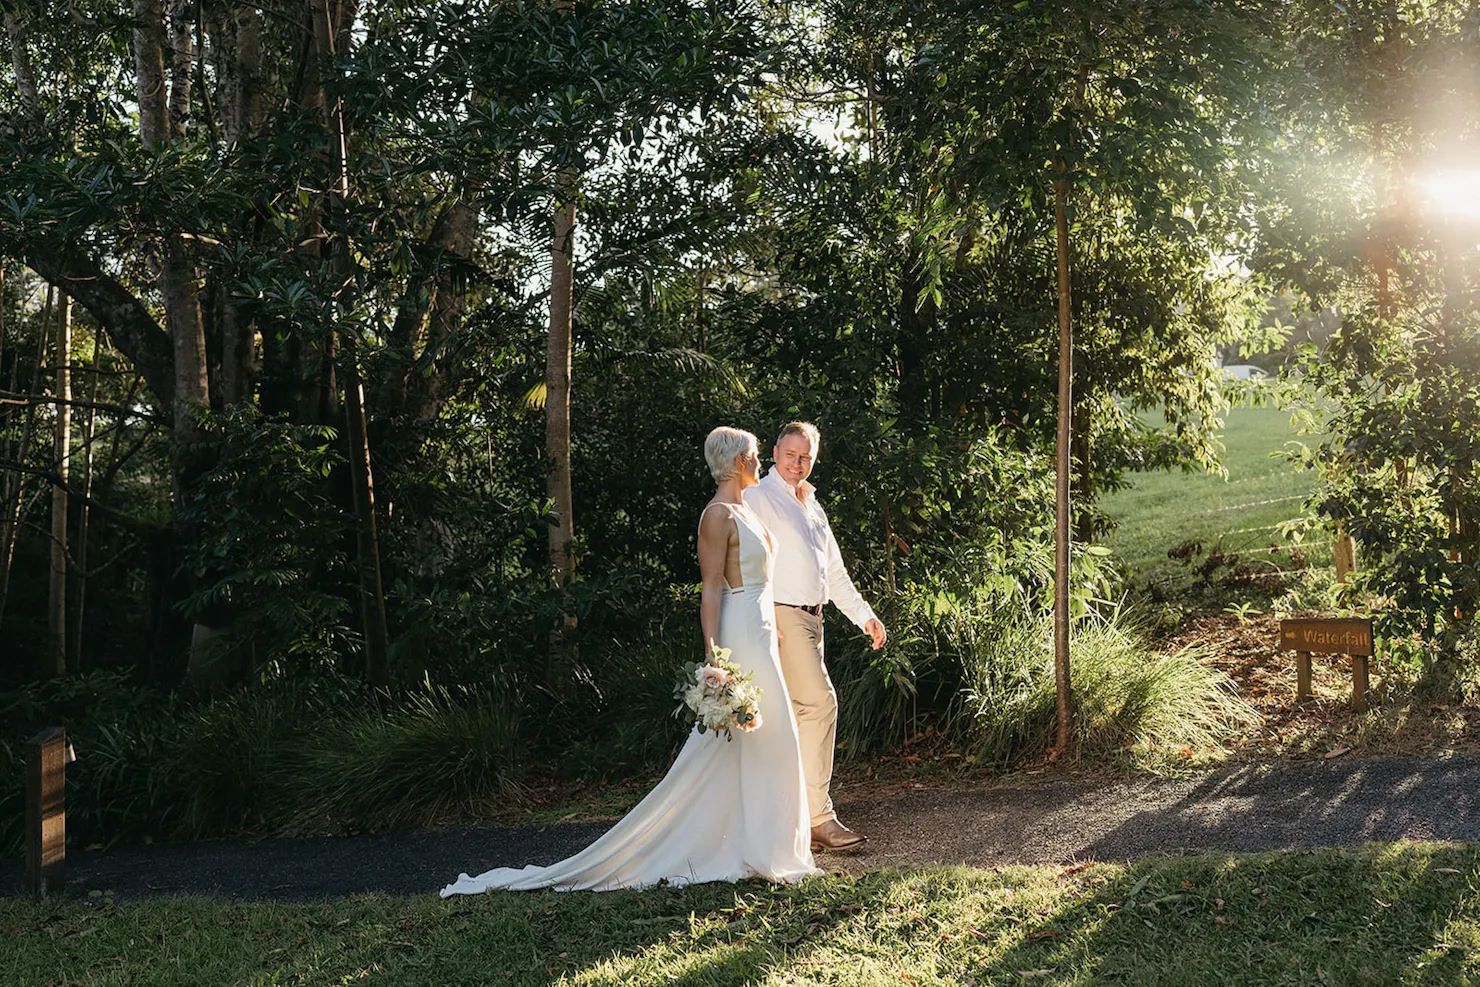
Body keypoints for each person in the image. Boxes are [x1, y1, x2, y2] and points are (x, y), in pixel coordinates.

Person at [441, 427, 819, 894]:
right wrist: (714, 659)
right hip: (739, 634)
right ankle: (752, 845)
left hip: (763, 632)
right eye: (757, 455)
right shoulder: (717, 516)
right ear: (740, 459)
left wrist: (775, 628)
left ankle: (766, 841)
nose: (761, 462)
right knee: (750, 738)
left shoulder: (748, 509)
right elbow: (712, 588)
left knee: (773, 738)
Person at [745, 421, 886, 852]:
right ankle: (818, 819)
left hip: (814, 619)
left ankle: (784, 819)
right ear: (774, 453)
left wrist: (865, 616)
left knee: (791, 719)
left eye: (806, 456)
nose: (798, 463)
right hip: (782, 617)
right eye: (791, 454)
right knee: (821, 705)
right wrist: (763, 619)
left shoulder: (812, 506)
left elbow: (835, 574)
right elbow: (748, 562)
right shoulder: (758, 498)